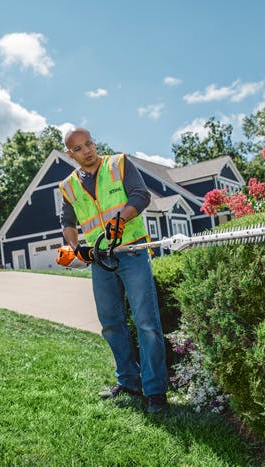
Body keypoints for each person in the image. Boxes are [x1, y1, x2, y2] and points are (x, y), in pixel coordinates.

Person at [56, 127, 169, 414]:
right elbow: (67, 221)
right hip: (100, 260)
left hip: (132, 251)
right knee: (110, 323)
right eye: (79, 148)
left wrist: (120, 220)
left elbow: (140, 196)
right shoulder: (68, 186)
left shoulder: (118, 164)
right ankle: (129, 382)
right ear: (71, 154)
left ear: (95, 143)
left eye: (89, 144)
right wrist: (74, 246)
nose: (87, 151)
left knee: (146, 323)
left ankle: (155, 391)